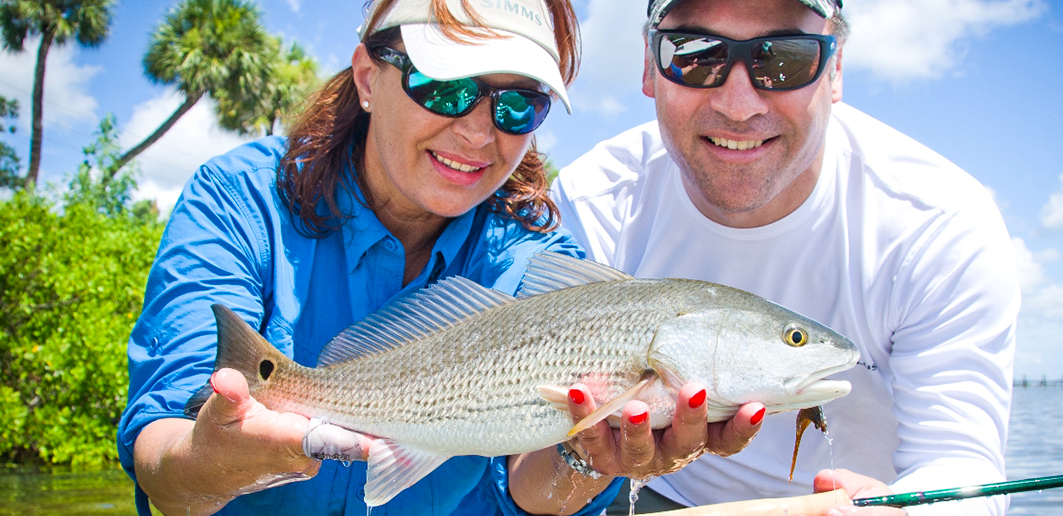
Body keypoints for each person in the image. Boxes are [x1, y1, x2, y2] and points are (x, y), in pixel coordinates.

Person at [116, 0, 765, 515]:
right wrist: (213, 456)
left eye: (518, 104)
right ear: (369, 77)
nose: (479, 131)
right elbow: (164, 466)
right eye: (446, 86)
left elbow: (525, 490)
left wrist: (592, 457)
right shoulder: (239, 198)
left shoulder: (540, 266)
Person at [551, 0, 1021, 515]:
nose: (738, 105)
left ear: (835, 69)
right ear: (648, 64)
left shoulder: (938, 224)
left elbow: (962, 465)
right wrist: (582, 461)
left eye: (784, 60)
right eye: (694, 54)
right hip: (653, 495)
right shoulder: (595, 198)